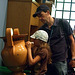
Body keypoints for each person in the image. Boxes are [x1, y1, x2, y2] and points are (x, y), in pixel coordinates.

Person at [33, 5, 75, 75]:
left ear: (48, 12)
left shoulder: (63, 23)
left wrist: (73, 57)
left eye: (41, 15)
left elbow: (72, 40)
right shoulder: (42, 29)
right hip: (47, 61)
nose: (40, 18)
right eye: (38, 17)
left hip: (60, 60)